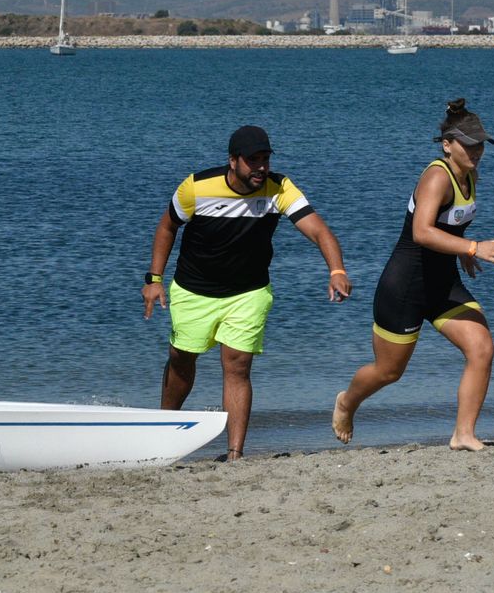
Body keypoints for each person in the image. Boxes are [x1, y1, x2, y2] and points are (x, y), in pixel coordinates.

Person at [142, 125, 350, 459]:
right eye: (253, 160)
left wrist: (336, 269)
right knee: (182, 360)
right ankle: (162, 432)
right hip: (193, 290)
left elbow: (319, 230)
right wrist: (154, 279)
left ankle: (236, 454)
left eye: (265, 159)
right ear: (233, 161)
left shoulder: (278, 189)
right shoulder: (196, 187)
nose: (261, 167)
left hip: (248, 293)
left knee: (237, 367)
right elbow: (167, 227)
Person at [333, 99, 494, 451]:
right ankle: (347, 402)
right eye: (468, 144)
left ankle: (463, 434)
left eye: (480, 145)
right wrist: (473, 248)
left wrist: (462, 252)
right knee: (389, 372)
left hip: (443, 284)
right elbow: (422, 232)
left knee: (481, 348)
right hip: (405, 287)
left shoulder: (469, 175)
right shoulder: (436, 177)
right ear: (447, 144)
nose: (476, 152)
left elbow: (451, 222)